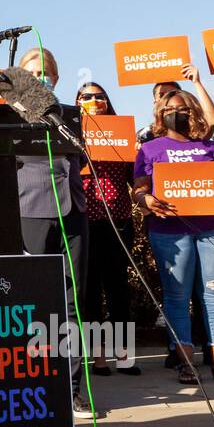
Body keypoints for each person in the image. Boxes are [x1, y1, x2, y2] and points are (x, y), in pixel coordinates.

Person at [133, 87, 214, 385]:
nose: (175, 113)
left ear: (193, 111)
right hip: (169, 232)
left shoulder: (211, 147)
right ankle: (185, 363)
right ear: (160, 114)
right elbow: (139, 188)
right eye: (168, 109)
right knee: (176, 297)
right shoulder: (150, 149)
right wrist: (146, 201)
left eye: (181, 108)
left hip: (213, 229)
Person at [17, 47, 95, 415]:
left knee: (71, 303)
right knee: (33, 303)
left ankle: (72, 388)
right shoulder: (6, 116)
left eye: (47, 73)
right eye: (33, 73)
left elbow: (78, 159)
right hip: (29, 210)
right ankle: (34, 385)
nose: (41, 78)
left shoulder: (69, 114)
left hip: (72, 212)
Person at [74, 81, 139, 376]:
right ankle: (98, 357)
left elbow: (133, 179)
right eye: (86, 97)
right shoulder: (70, 133)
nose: (93, 101)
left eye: (99, 97)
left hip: (117, 219)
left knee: (118, 290)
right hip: (82, 219)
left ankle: (125, 355)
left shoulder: (121, 134)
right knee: (89, 291)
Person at [136, 74, 214, 144]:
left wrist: (196, 82)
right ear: (155, 103)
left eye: (172, 94)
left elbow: (212, 122)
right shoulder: (145, 135)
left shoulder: (194, 130)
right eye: (162, 95)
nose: (167, 98)